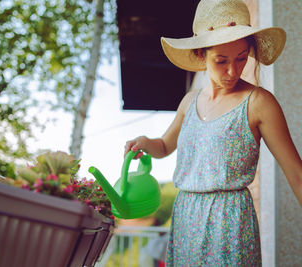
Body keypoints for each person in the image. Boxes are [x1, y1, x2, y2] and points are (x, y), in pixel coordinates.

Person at [123, 0, 302, 266]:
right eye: (221, 60)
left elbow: (297, 174)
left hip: (230, 224)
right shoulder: (189, 102)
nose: (233, 71)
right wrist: (146, 143)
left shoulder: (259, 102)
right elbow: (164, 146)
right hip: (186, 219)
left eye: (242, 58)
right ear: (200, 55)